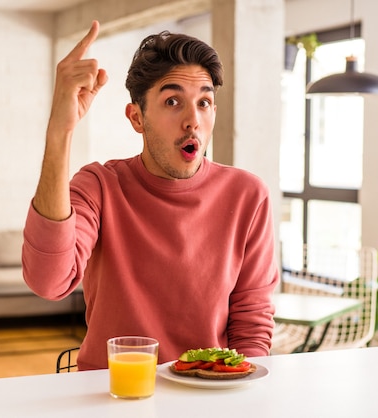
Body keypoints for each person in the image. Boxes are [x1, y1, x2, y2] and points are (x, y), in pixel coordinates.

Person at [22, 20, 279, 371]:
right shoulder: (98, 186)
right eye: (173, 101)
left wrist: (240, 396)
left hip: (207, 394)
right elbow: (48, 281)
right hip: (112, 394)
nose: (192, 120)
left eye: (204, 102)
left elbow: (252, 324)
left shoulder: (248, 196)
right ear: (137, 118)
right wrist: (59, 131)